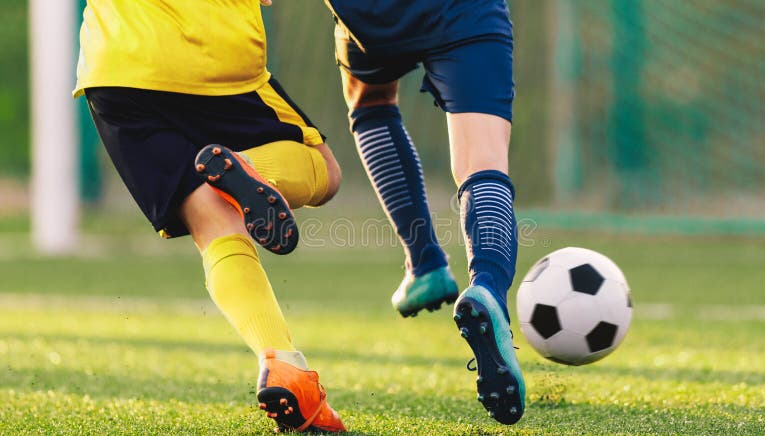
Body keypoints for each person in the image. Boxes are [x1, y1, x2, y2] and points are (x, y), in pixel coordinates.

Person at [74, 0, 345, 432]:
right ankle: (255, 169)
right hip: (213, 60)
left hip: (118, 65)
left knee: (213, 217)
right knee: (323, 169)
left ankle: (284, 363)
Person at [323, 0, 525, 425]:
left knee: (369, 100)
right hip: (461, 10)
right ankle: (487, 287)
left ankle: (425, 262)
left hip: (371, 15)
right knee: (482, 159)